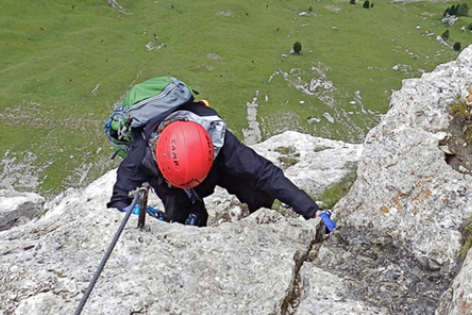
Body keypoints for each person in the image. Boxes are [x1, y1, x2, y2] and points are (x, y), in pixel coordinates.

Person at [107, 98, 334, 230]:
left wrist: (312, 210)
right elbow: (119, 200)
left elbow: (266, 175)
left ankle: (260, 224)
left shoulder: (222, 144)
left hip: (213, 165)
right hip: (173, 180)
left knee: (257, 191)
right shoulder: (140, 156)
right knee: (186, 219)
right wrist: (134, 210)